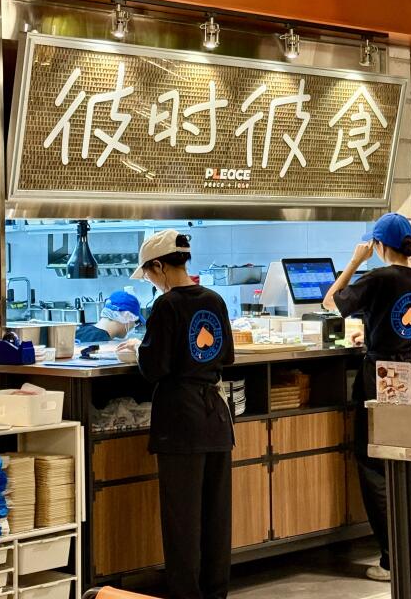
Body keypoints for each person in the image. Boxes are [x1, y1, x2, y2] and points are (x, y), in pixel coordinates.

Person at [323, 212, 411, 583]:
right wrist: (376, 332)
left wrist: (353, 262)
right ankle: (409, 557)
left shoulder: (378, 276)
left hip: (381, 377)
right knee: (409, 463)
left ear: (378, 245)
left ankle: (394, 560)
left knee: (374, 463)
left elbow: (331, 301)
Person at [121, 229, 234, 599]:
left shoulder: (166, 306)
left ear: (159, 266)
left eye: (149, 274)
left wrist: (138, 349)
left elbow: (155, 367)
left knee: (182, 520)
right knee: (216, 517)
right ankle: (216, 593)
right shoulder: (215, 299)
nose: (151, 281)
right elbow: (227, 356)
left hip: (181, 420)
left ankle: (186, 594)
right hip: (216, 417)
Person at [75, 290, 144, 344]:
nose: (134, 326)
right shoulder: (100, 341)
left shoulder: (82, 331)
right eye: (135, 322)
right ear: (126, 316)